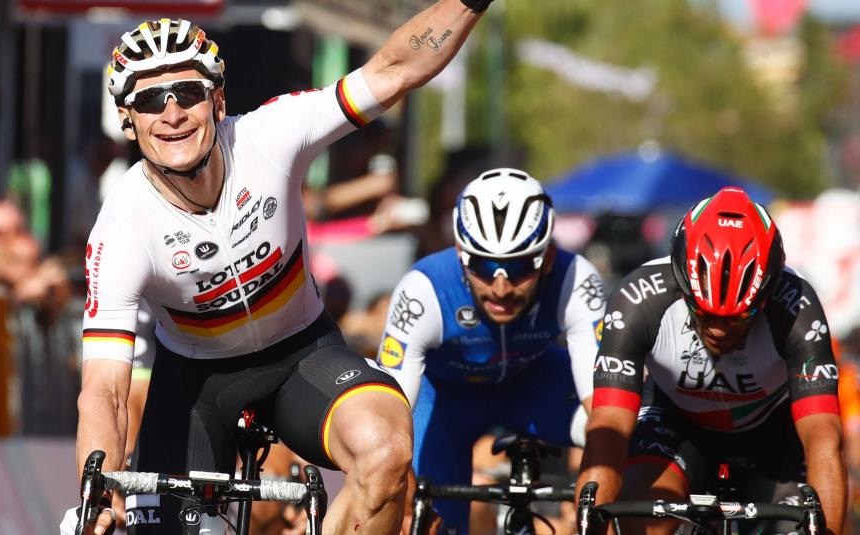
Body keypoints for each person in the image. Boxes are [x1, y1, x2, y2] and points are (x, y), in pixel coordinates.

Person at [77, 3, 491, 533]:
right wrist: (96, 491)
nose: (172, 113)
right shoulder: (122, 227)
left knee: (386, 450)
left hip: (303, 353)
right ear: (128, 119)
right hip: (196, 384)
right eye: (151, 100)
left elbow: (394, 70)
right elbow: (104, 389)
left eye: (188, 93)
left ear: (218, 99)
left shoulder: (270, 135)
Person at [577, 187, 845, 535]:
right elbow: (609, 426)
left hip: (774, 439)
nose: (718, 330)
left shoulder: (797, 308)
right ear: (681, 284)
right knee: (640, 522)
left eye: (737, 318)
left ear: (766, 296)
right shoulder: (638, 299)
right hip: (676, 426)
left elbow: (824, 437)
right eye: (703, 314)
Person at [378, 169, 604, 532]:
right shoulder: (423, 290)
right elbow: (387, 420)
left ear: (548, 258)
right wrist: (403, 504)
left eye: (520, 267)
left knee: (632, 432)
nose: (501, 288)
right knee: (424, 517)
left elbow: (605, 408)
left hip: (532, 387)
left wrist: (600, 501)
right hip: (444, 403)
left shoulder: (578, 280)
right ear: (460, 253)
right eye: (483, 266)